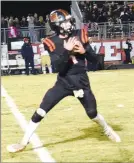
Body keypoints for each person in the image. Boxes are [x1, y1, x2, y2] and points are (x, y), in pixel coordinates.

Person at [7, 9, 121, 153]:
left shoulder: (80, 34)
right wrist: (66, 51)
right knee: (41, 110)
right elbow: (58, 67)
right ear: (57, 25)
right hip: (63, 82)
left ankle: (107, 129)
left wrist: (84, 52)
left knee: (92, 113)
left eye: (68, 21)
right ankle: (23, 142)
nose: (69, 24)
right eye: (65, 22)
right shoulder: (51, 41)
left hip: (81, 81)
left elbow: (97, 63)